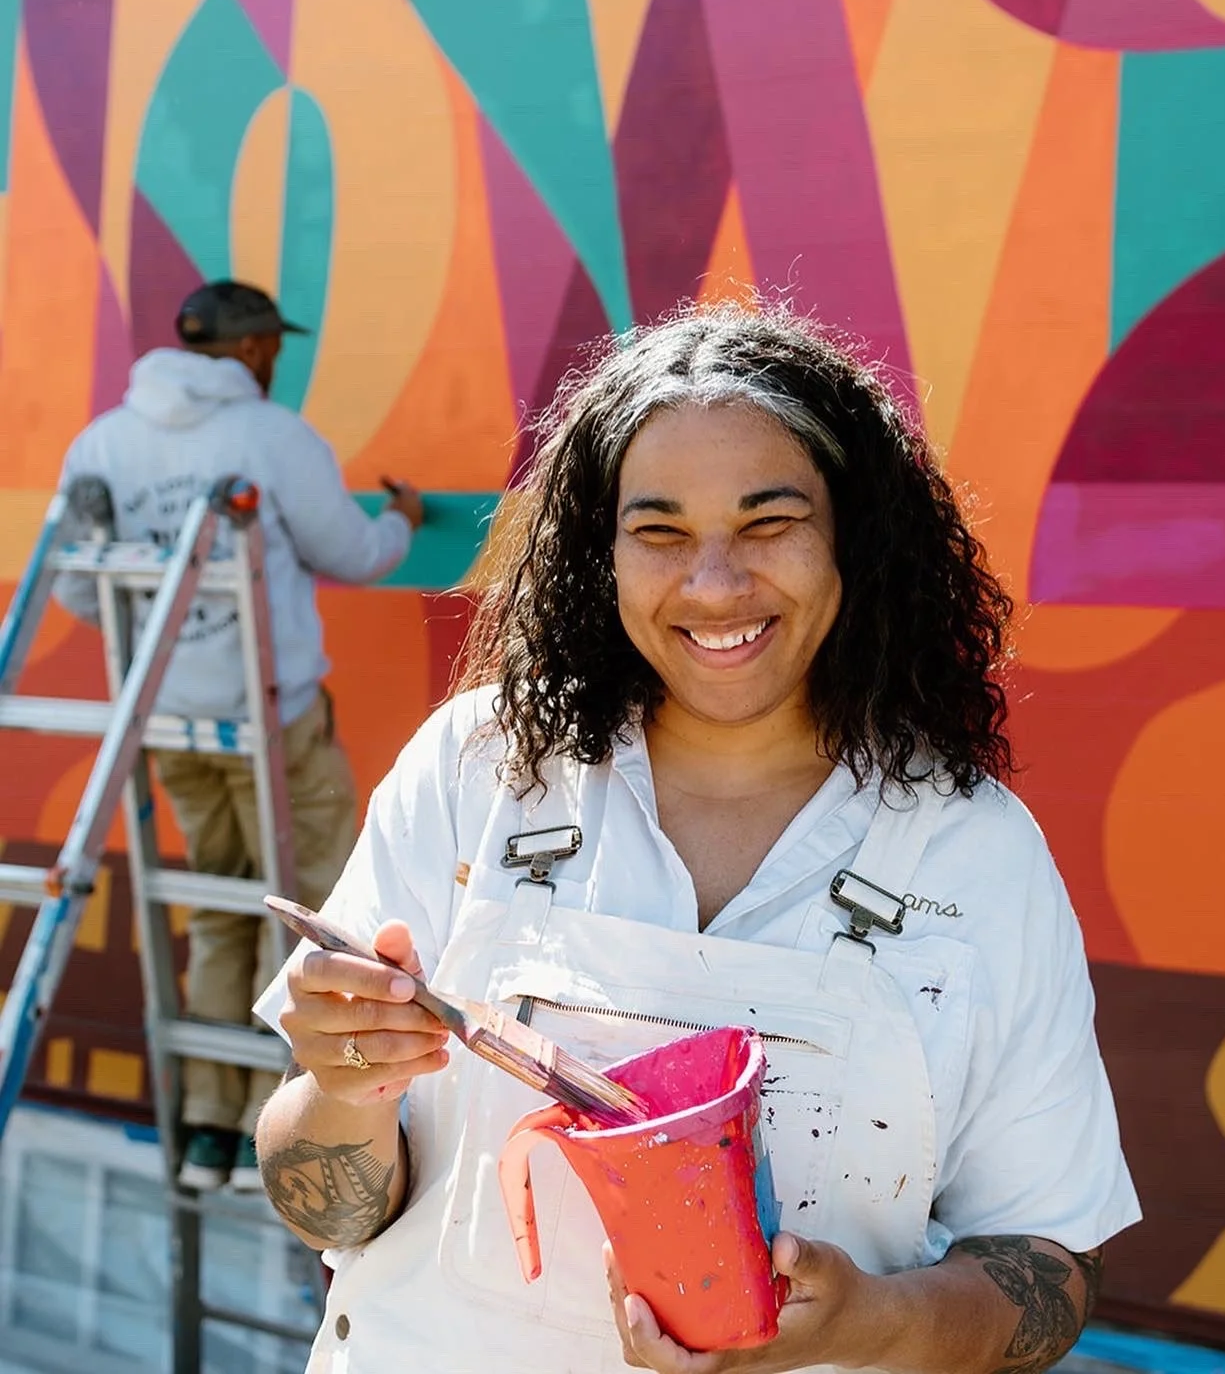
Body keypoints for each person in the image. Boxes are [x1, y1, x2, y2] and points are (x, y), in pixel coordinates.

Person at [254, 302, 1140, 1374]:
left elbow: (1049, 1264)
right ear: (602, 551)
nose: (714, 584)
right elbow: (329, 1215)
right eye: (660, 532)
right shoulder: (478, 769)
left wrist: (875, 1321)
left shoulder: (978, 856)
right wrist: (348, 1084)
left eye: (769, 523)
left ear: (856, 536)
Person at [55, 279, 425, 1194]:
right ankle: (295, 1127)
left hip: (169, 722)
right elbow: (353, 552)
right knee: (323, 920)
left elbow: (74, 585)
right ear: (257, 348)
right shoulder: (269, 436)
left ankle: (215, 1129)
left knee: (220, 908)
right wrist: (403, 520)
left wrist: (169, 641)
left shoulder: (103, 441)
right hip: (276, 720)